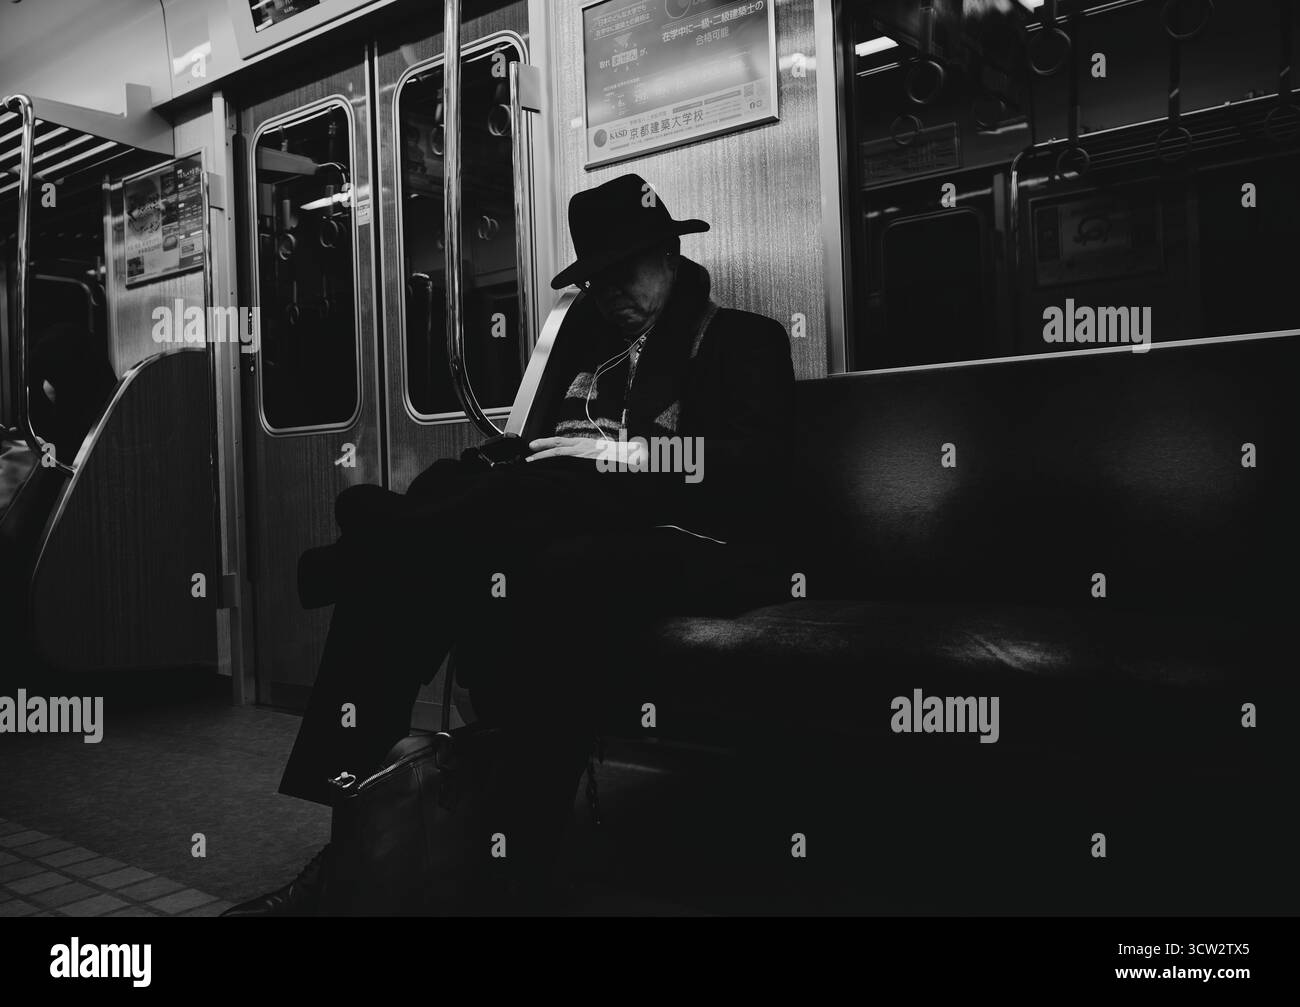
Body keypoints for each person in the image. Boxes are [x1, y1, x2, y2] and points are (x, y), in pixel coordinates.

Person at [222, 172, 796, 916]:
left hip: (701, 539)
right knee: (469, 521)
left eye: (625, 270)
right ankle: (358, 829)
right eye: (596, 277)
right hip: (582, 518)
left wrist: (631, 452)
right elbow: (539, 446)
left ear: (669, 255)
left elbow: (758, 471)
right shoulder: (592, 351)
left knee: (524, 552)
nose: (610, 290)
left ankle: (378, 547)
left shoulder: (743, 339)